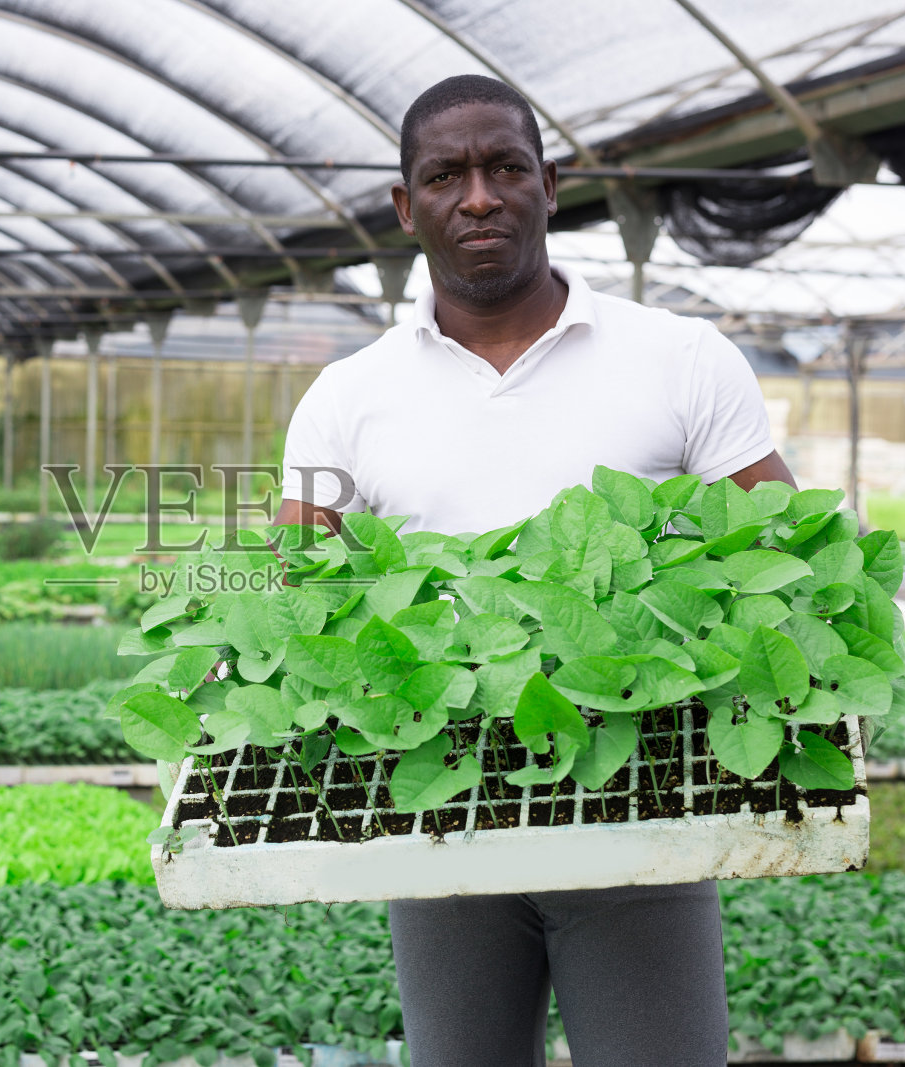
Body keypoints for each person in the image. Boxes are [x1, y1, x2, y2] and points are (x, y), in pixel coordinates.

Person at [277, 75, 799, 1067]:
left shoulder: (679, 357)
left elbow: (786, 551)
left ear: (549, 186)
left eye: (505, 167)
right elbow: (294, 598)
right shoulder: (346, 398)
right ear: (406, 206)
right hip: (441, 812)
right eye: (445, 175)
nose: (478, 196)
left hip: (640, 800)